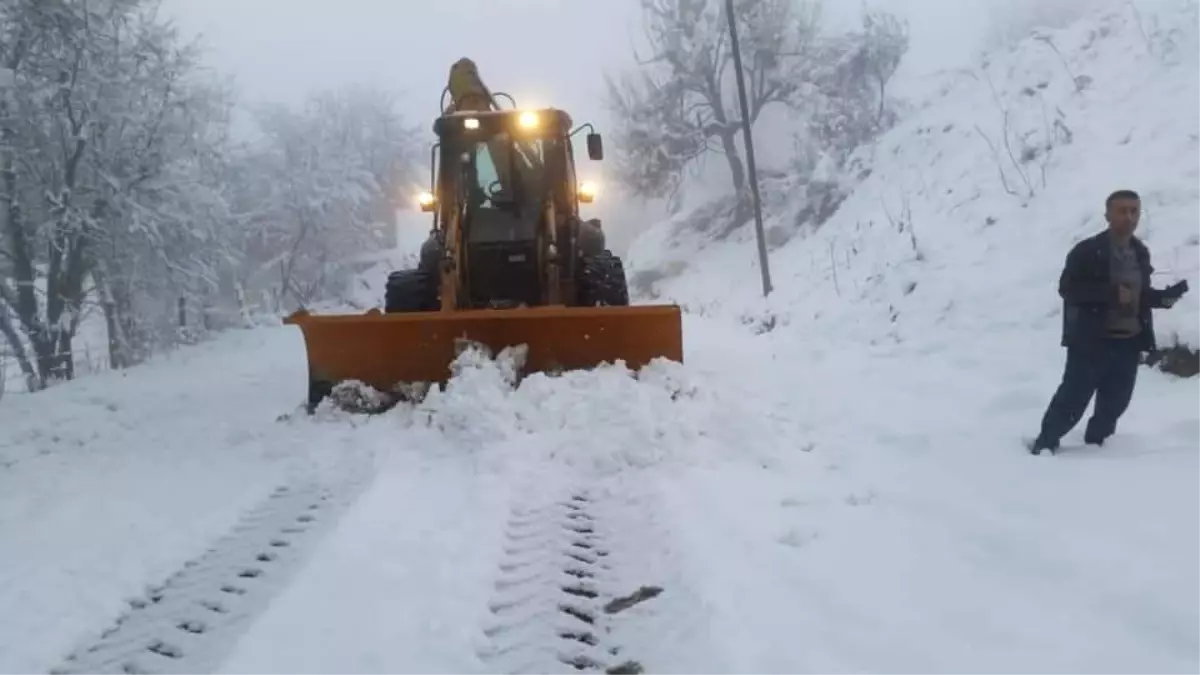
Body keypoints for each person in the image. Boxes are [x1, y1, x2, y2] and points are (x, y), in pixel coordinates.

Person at [1030, 189, 1184, 454]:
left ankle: (1098, 447)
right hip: (1091, 340)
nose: (1129, 216)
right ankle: (1045, 444)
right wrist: (1110, 294)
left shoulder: (1139, 252)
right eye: (1122, 211)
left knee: (1115, 402)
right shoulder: (1088, 250)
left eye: (1134, 211)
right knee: (1073, 398)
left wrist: (1166, 298)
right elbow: (1068, 289)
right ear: (1108, 215)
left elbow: (1141, 295)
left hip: (1128, 341)